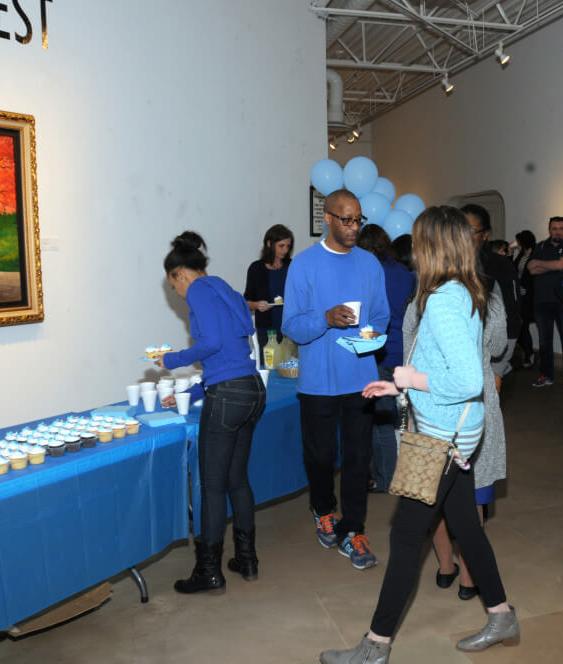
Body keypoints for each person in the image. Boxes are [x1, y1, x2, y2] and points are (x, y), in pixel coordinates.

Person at [320, 206, 518, 664]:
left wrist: (409, 379)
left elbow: (466, 380)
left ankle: (375, 646)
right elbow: (447, 366)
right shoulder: (461, 290)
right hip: (454, 432)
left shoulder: (445, 300)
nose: (413, 251)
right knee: (466, 525)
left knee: (407, 536)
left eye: (418, 241)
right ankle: (501, 614)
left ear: (432, 246)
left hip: (442, 438)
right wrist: (399, 385)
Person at [281, 190, 390, 570]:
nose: (354, 227)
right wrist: (324, 319)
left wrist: (370, 335)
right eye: (346, 220)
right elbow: (292, 326)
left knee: (359, 459)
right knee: (321, 456)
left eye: (358, 219)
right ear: (327, 218)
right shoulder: (303, 265)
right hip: (317, 383)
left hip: (360, 379)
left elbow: (381, 315)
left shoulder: (370, 264)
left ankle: (353, 529)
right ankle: (324, 509)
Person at [157, 231, 266, 593]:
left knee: (212, 486)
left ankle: (208, 571)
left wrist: (172, 359)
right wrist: (188, 392)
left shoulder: (199, 291)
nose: (178, 293)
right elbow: (229, 357)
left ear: (179, 274)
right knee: (238, 479)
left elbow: (212, 343)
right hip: (251, 388)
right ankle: (247, 559)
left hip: (229, 396)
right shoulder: (226, 290)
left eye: (174, 286)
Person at [428, 286, 507, 601]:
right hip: (475, 401)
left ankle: (446, 566)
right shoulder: (486, 293)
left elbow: (409, 349)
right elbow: (498, 345)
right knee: (474, 492)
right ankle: (468, 579)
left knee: (433, 492)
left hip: (433, 401)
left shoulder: (422, 296)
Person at [356, 224, 415, 493]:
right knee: (399, 419)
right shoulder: (403, 271)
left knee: (380, 423)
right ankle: (397, 472)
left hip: (380, 353)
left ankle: (385, 478)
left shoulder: (371, 274)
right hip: (405, 352)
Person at [462, 204, 520, 391]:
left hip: (494, 346)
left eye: (471, 230)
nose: (464, 235)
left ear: (485, 234)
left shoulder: (499, 265)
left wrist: (500, 364)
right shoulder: (451, 264)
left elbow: (512, 309)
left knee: (488, 396)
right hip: (461, 347)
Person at [528, 217, 563, 388]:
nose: (558, 232)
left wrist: (540, 264)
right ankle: (546, 375)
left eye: (561, 228)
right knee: (544, 341)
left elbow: (561, 265)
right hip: (542, 301)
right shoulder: (540, 246)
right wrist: (551, 265)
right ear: (549, 230)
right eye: (554, 228)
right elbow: (531, 269)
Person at [244, 224, 293, 341]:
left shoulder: (292, 266)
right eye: (281, 246)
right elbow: (246, 302)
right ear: (269, 244)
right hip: (267, 331)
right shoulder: (256, 268)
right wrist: (257, 305)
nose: (285, 250)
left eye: (288, 246)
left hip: (291, 327)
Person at [513, 230, 537, 368]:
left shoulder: (535, 255)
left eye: (518, 242)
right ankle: (528, 354)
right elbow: (513, 270)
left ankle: (529, 355)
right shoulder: (521, 255)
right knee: (521, 327)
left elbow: (532, 277)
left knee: (523, 326)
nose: (517, 245)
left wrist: (523, 284)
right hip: (520, 297)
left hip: (529, 298)